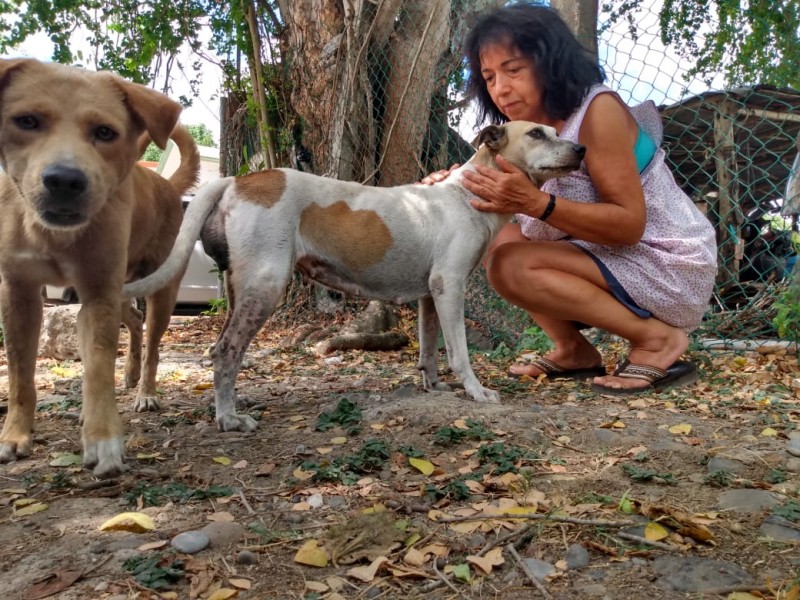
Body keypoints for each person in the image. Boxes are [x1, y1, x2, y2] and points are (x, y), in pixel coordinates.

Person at [424, 3, 717, 394]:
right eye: (489, 77)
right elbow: (479, 201)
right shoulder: (518, 135)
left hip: (666, 260)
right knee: (489, 235)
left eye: (514, 70)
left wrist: (535, 204)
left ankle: (657, 339)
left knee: (511, 264)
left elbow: (629, 226)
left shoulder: (598, 112)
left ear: (550, 62)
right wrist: (451, 189)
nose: (501, 88)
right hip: (604, 259)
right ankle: (573, 349)